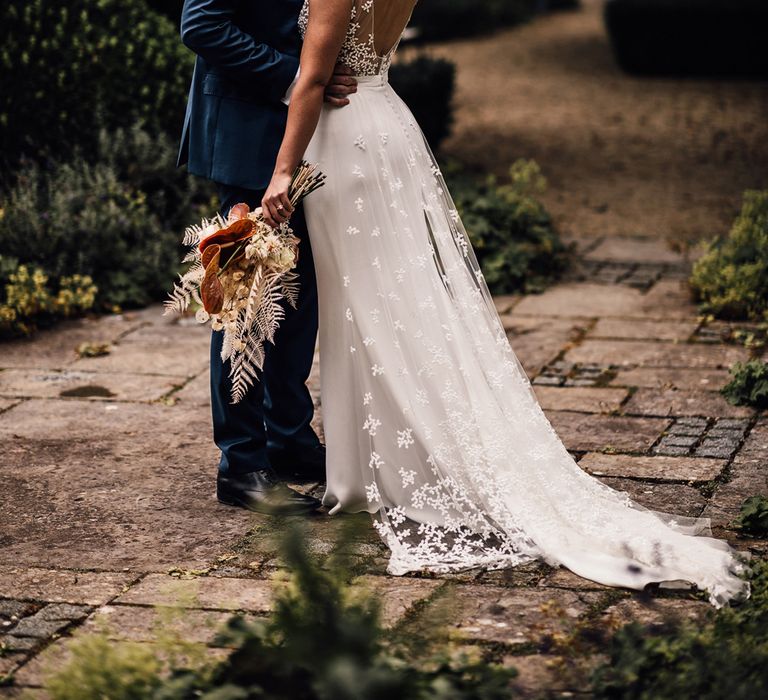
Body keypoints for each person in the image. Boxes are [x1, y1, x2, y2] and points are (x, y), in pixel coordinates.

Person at [258, 0, 749, 606]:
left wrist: (282, 173)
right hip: (385, 120)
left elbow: (312, 77)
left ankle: (371, 470)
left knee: (367, 314)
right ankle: (367, 465)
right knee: (387, 308)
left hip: (341, 142)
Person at [178, 0, 358, 515]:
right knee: (244, 304)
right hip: (247, 127)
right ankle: (240, 465)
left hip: (310, 134)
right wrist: (298, 76)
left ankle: (289, 440)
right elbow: (202, 25)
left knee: (298, 300)